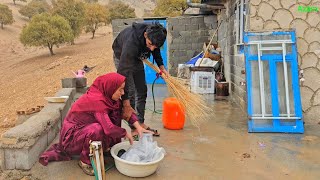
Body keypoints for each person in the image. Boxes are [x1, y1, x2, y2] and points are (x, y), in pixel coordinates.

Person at [39, 73, 152, 176]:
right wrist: (125, 133)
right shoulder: (96, 101)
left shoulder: (109, 96)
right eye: (120, 90)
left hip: (84, 131)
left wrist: (138, 127)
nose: (122, 93)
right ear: (110, 87)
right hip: (72, 138)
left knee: (116, 110)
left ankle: (105, 146)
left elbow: (125, 111)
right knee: (97, 129)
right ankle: (85, 161)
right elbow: (108, 129)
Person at [112, 22, 167, 136]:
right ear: (145, 35)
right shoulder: (131, 42)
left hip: (137, 58)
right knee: (130, 91)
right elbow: (123, 72)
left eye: (154, 46)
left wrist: (161, 67)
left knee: (142, 89)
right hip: (122, 57)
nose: (151, 48)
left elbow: (155, 50)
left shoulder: (155, 36)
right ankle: (134, 127)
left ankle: (140, 122)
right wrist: (126, 103)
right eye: (150, 44)